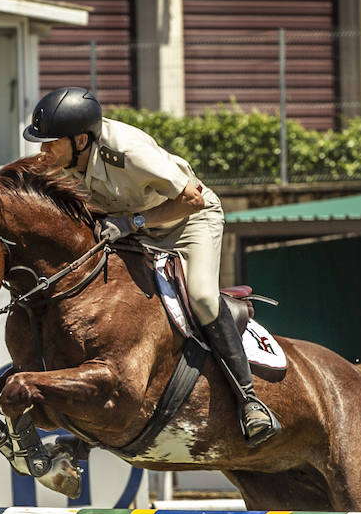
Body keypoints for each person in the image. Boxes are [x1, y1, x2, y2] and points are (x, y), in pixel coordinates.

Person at [22, 86, 280, 446]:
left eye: (50, 143)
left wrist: (133, 224)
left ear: (80, 140)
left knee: (202, 297)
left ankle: (250, 401)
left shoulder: (127, 152)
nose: (43, 152)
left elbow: (191, 199)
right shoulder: (65, 162)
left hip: (189, 221)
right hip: (132, 225)